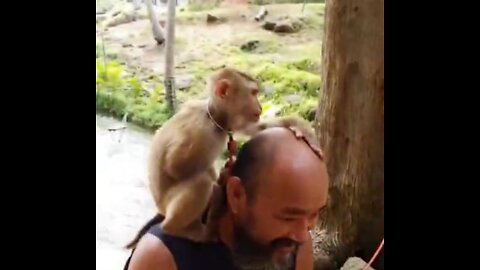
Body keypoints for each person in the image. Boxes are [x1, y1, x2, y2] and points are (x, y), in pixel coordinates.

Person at [124, 127, 330, 270]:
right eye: (288, 217)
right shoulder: (163, 257)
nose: (303, 235)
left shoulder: (294, 247)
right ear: (237, 195)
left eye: (313, 215)